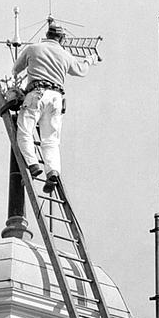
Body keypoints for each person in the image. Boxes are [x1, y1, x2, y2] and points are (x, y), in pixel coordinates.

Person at [12, 23, 97, 192]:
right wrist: (90, 60)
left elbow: (15, 69)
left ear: (47, 34)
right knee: (51, 140)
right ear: (62, 39)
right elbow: (81, 70)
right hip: (56, 98)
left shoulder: (33, 48)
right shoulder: (65, 55)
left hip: (36, 93)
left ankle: (33, 164)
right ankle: (52, 171)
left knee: (25, 131)